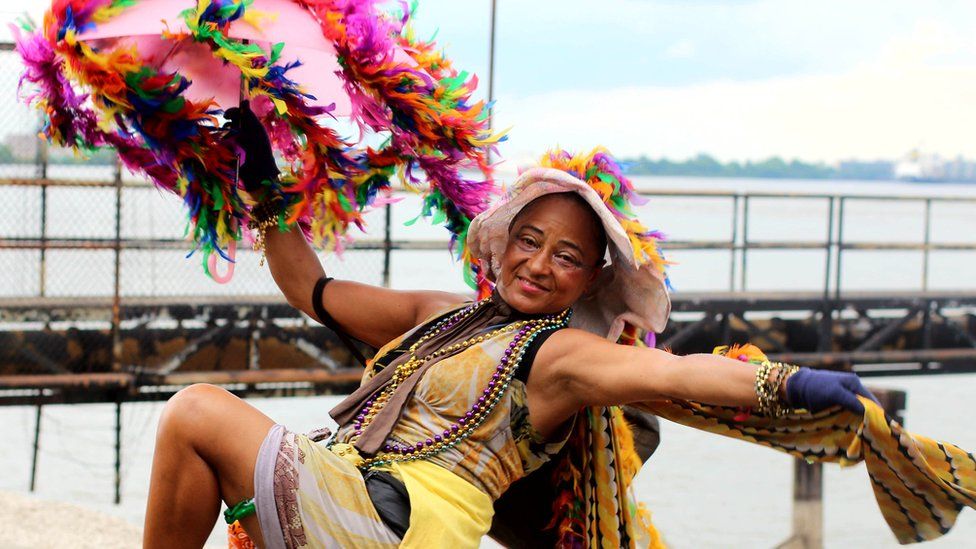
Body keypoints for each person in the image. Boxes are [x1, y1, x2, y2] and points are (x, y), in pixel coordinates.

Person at [142, 106, 970, 549]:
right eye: (528, 241)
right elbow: (310, 286)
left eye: (566, 256)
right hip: (348, 492)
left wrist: (794, 383)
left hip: (400, 529)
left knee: (196, 410)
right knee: (199, 435)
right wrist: (261, 182)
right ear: (499, 243)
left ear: (592, 280)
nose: (539, 263)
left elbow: (678, 377)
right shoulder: (441, 312)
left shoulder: (563, 356)